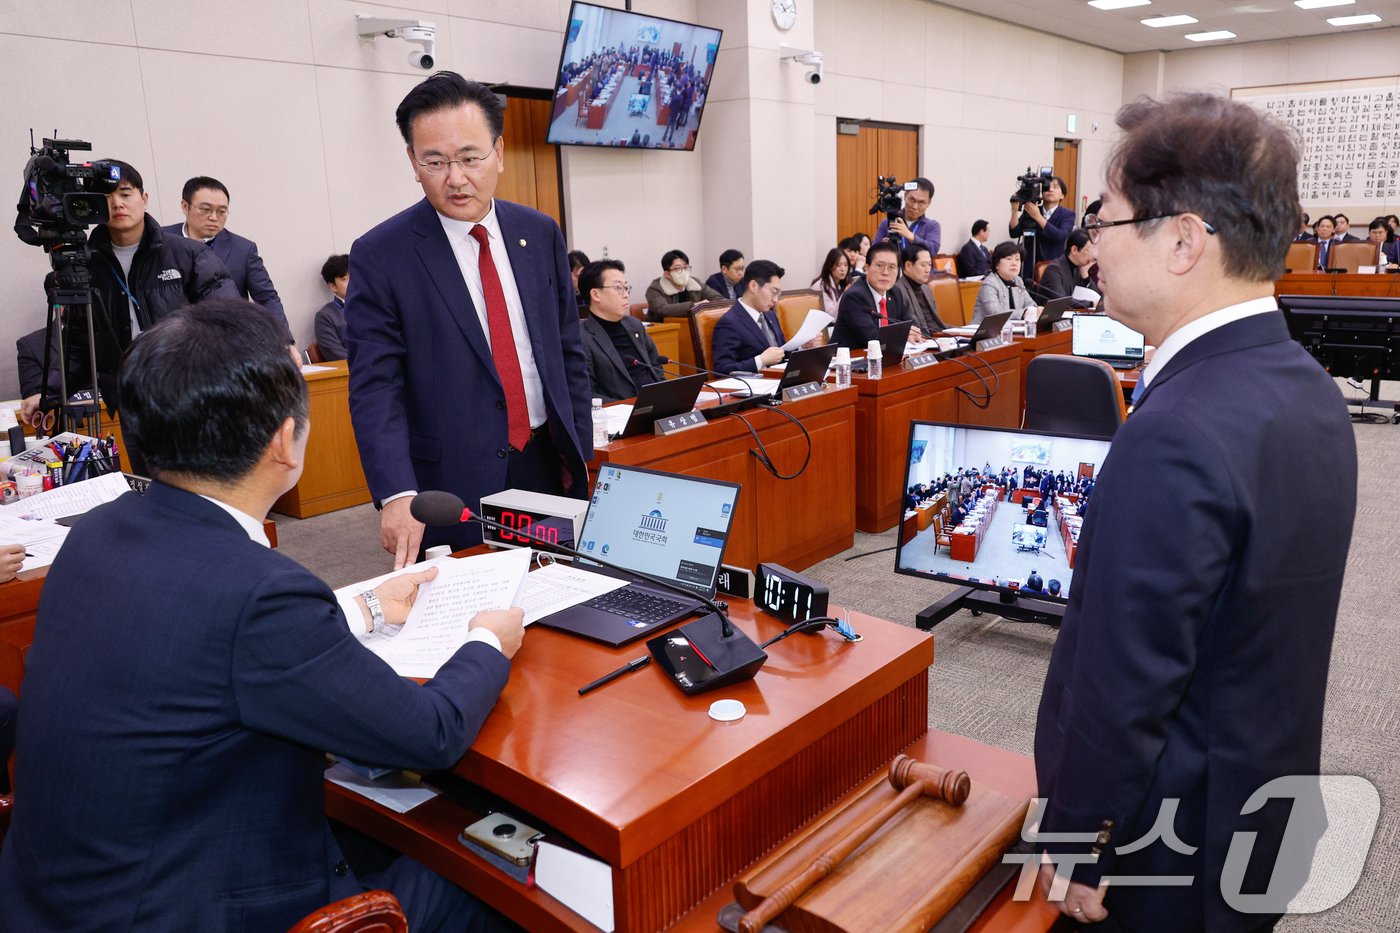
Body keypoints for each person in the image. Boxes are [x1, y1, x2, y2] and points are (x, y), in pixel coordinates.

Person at [0, 299, 524, 932]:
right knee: (500, 882)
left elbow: (196, 637)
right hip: (189, 909)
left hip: (63, 898)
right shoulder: (259, 592)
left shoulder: (100, 530)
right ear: (284, 440)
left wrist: (359, 608)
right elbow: (428, 735)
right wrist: (486, 641)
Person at [1033, 93, 1357, 932]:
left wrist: (1077, 843)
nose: (1087, 247)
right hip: (1261, 810)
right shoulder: (1308, 388)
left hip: (1168, 858)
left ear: (1182, 240)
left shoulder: (1177, 429)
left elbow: (1123, 679)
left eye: (1102, 222)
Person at [346, 71, 593, 567]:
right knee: (470, 622)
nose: (455, 178)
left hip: (546, 461)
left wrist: (582, 453)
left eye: (469, 158)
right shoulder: (382, 254)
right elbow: (376, 386)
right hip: (450, 484)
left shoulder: (538, 232)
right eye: (434, 161)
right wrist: (396, 493)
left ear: (498, 153)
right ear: (413, 163)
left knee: (559, 595)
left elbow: (567, 349)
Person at [21, 161, 237, 427]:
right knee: (142, 470)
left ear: (143, 199)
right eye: (106, 197)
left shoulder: (188, 254)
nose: (117, 204)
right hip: (131, 400)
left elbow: (228, 321)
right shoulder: (85, 266)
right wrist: (48, 394)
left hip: (191, 396)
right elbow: (79, 344)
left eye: (125, 194)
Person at [165, 176, 289, 338]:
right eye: (206, 209)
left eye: (221, 211)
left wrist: (284, 341)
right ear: (185, 206)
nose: (214, 217)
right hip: (174, 342)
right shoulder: (161, 241)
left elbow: (267, 298)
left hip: (228, 342)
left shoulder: (243, 249)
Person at [579, 259, 665, 401]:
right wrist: (632, 408)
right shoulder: (582, 337)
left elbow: (656, 367)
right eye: (618, 288)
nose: (625, 294)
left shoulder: (635, 325)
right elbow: (587, 394)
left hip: (655, 406)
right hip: (620, 415)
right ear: (595, 294)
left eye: (626, 288)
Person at [831, 240, 920, 349]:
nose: (886, 272)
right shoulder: (854, 296)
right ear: (867, 268)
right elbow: (873, 339)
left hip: (885, 358)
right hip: (850, 361)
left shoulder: (895, 292)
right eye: (879, 266)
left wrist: (913, 331)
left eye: (891, 267)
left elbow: (909, 323)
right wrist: (905, 334)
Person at [710, 259, 787, 375]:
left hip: (779, 381)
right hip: (755, 388)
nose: (775, 299)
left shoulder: (770, 315)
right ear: (753, 286)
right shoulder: (729, 322)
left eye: (778, 294)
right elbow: (722, 369)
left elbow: (782, 352)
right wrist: (760, 360)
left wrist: (804, 346)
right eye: (773, 291)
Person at [1009, 175, 1074, 265]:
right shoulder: (1032, 209)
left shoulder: (1067, 214)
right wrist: (1014, 210)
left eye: (1055, 187)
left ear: (1062, 195)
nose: (1050, 189)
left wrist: (1038, 217)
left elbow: (1060, 236)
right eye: (1047, 187)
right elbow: (1014, 232)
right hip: (1029, 265)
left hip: (1053, 265)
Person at [644, 248, 722, 319]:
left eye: (685, 267)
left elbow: (718, 299)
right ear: (667, 274)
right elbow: (662, 309)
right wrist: (694, 306)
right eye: (678, 268)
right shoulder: (655, 288)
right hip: (664, 329)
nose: (683, 272)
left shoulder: (695, 283)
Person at [969, 241, 1034, 325]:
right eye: (1009, 259)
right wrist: (1024, 313)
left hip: (1012, 331)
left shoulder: (1018, 281)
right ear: (997, 264)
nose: (1014, 263)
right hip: (984, 334)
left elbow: (1030, 303)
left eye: (1017, 259)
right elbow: (997, 313)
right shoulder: (989, 284)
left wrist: (1035, 310)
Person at [874, 177, 940, 255]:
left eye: (921, 202)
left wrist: (911, 236)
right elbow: (873, 251)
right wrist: (881, 246)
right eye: (912, 200)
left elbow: (933, 250)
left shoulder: (932, 225)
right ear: (905, 196)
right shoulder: (887, 222)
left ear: (929, 203)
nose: (915, 207)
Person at [892, 244, 948, 335]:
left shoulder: (926, 289)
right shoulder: (897, 291)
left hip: (940, 335)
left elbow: (937, 323)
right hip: (923, 340)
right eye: (923, 265)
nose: (928, 270)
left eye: (929, 265)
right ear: (908, 266)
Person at [1038, 228, 1097, 300]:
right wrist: (1091, 303)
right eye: (1088, 250)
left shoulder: (1079, 268)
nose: (1092, 255)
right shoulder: (1054, 270)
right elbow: (1063, 301)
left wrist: (1085, 276)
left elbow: (1097, 297)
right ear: (1074, 250)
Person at [311, 254, 350, 361]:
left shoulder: (373, 307)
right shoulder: (325, 316)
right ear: (332, 286)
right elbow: (336, 355)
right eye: (344, 279)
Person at [811, 247, 850, 318]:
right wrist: (845, 294)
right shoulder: (821, 285)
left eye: (846, 265)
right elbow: (832, 316)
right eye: (838, 265)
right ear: (830, 266)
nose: (843, 269)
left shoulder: (841, 283)